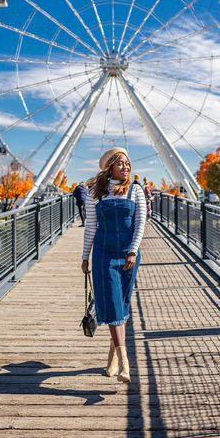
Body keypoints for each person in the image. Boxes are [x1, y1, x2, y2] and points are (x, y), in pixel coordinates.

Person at [81, 148, 146, 383]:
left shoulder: (135, 190)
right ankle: (125, 361)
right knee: (111, 302)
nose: (126, 167)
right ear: (110, 167)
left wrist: (133, 250)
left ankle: (112, 357)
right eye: (121, 163)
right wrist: (85, 256)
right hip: (103, 253)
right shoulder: (94, 194)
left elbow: (141, 223)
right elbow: (90, 227)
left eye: (128, 163)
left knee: (123, 304)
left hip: (128, 254)